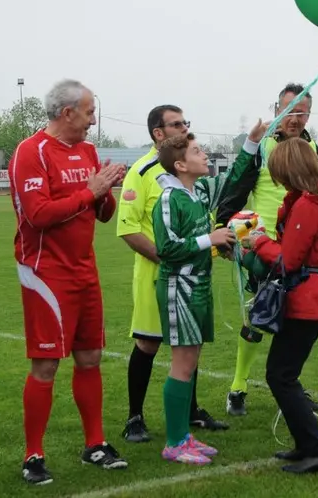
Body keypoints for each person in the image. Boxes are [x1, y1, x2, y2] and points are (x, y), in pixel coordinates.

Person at [8, 79, 128, 485]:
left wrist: (105, 191)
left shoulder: (88, 151)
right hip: (45, 272)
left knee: (90, 357)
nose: (93, 121)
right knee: (45, 363)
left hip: (83, 269)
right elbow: (38, 214)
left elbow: (104, 214)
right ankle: (33, 455)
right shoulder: (32, 151)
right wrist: (89, 191)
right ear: (67, 112)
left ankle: (95, 444)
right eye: (89, 112)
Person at [151, 123, 265, 465]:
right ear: (180, 165)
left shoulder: (197, 191)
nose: (205, 156)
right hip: (179, 287)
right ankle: (174, 442)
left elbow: (232, 181)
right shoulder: (169, 198)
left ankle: (184, 436)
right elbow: (167, 248)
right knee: (182, 364)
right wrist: (209, 240)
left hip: (199, 285)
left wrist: (252, 142)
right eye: (197, 152)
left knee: (191, 362)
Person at [216, 83, 318, 417]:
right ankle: (238, 387)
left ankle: (290, 387)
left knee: (301, 320)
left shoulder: (313, 149)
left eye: (302, 111)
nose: (295, 117)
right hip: (264, 247)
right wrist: (224, 227)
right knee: (259, 316)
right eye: (289, 109)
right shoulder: (262, 148)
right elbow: (235, 188)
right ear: (277, 109)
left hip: (303, 246)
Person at [117, 105, 226, 444]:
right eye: (176, 124)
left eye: (185, 122)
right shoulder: (142, 171)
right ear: (158, 132)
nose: (184, 128)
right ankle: (135, 417)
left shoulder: (191, 171)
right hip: (160, 274)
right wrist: (170, 261)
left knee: (189, 345)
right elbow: (128, 228)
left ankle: (190, 411)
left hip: (191, 275)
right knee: (148, 343)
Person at [248, 138, 318, 474]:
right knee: (284, 373)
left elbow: (287, 261)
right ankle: (307, 445)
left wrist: (258, 242)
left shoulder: (309, 205)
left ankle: (317, 449)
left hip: (308, 297)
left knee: (281, 375)